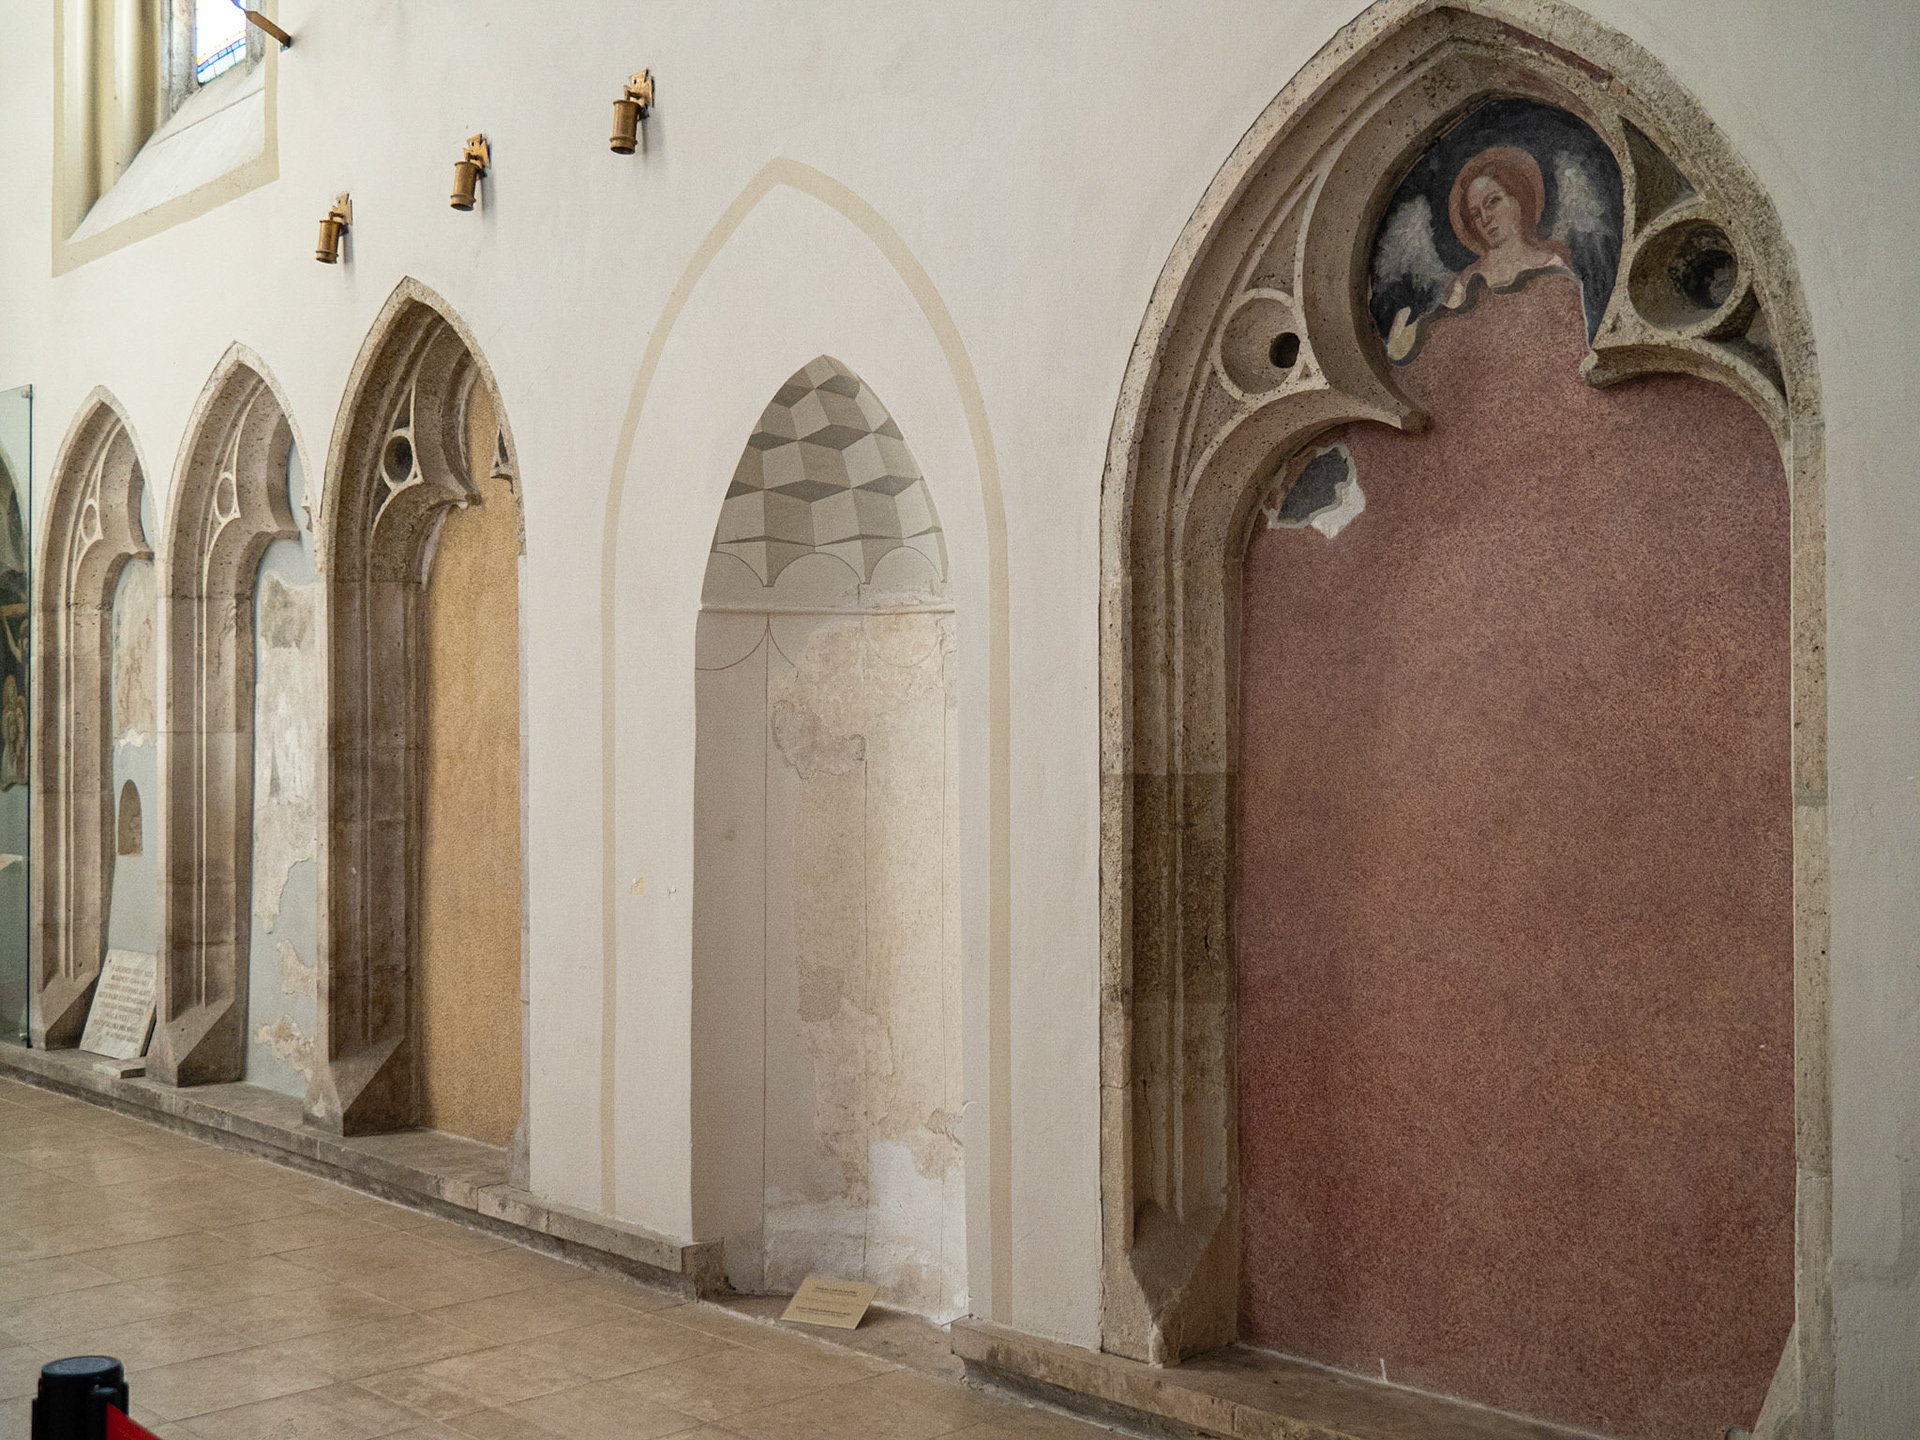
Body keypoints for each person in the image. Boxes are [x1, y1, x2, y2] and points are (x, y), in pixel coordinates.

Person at [1387, 146, 1573, 361]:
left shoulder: (1551, 263)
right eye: (1475, 214)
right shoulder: (1465, 282)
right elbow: (1448, 337)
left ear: (1517, 200)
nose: (1485, 219)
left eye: (1492, 202)